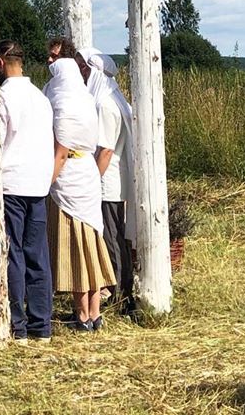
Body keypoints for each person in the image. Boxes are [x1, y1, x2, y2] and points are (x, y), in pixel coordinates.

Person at [47, 58, 115, 331]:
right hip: (87, 171)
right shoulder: (86, 100)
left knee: (75, 245)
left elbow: (61, 152)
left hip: (70, 175)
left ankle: (83, 314)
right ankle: (95, 312)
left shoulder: (63, 103)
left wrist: (45, 183)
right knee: (92, 240)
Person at [0, 39, 55, 343]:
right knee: (37, 254)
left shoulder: (3, 97)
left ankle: (17, 324)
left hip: (12, 181)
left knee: (14, 254)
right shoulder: (40, 97)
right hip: (37, 181)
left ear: (2, 62)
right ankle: (41, 323)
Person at [87, 51, 136, 312]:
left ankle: (120, 294)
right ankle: (121, 289)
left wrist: (91, 182)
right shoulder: (115, 98)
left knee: (113, 238)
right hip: (113, 178)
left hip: (108, 181)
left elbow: (105, 150)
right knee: (115, 236)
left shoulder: (106, 104)